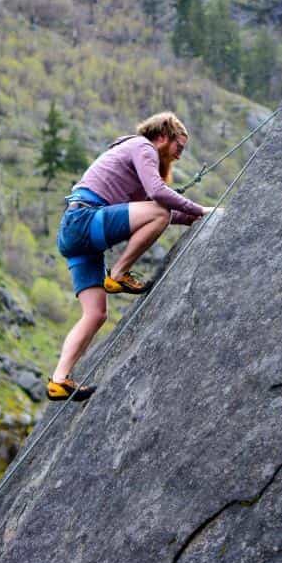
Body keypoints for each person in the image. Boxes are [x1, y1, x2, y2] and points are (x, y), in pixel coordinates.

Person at [47, 111, 213, 402]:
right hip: (85, 221)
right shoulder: (143, 147)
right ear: (163, 137)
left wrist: (199, 215)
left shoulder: (131, 159)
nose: (179, 156)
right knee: (158, 210)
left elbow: (153, 210)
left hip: (75, 233)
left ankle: (59, 380)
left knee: (96, 314)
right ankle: (119, 273)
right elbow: (158, 197)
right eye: (179, 148)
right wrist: (198, 209)